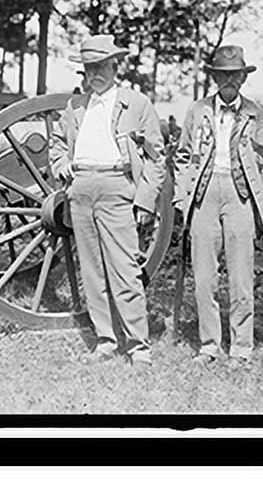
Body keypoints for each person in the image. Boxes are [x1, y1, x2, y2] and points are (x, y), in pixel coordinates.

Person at [49, 34, 165, 371]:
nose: (95, 73)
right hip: (81, 188)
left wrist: (145, 201)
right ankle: (105, 341)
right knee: (92, 271)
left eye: (101, 66)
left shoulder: (136, 104)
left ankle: (139, 347)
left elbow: (157, 158)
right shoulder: (75, 106)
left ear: (115, 66)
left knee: (125, 269)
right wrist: (61, 166)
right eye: (89, 67)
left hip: (117, 186)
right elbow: (57, 144)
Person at [173, 44, 263, 369]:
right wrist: (181, 197)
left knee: (241, 277)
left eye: (235, 75)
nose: (230, 81)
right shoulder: (198, 110)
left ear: (243, 79)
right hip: (204, 194)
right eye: (224, 75)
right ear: (215, 77)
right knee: (204, 277)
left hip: (239, 194)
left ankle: (241, 349)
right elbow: (183, 155)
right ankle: (209, 346)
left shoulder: (254, 114)